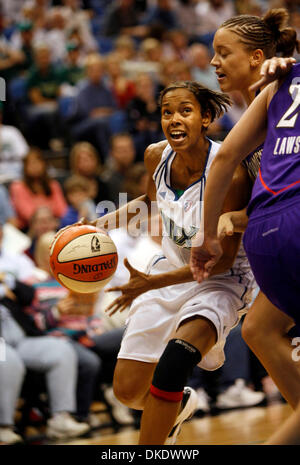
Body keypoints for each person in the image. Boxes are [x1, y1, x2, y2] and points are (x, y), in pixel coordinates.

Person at [61, 80, 255, 445]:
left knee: (175, 359)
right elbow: (151, 203)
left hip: (223, 281)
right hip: (171, 271)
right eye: (167, 112)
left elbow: (220, 260)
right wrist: (97, 225)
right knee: (128, 391)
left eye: (185, 110)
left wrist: (148, 284)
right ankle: (178, 403)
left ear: (206, 118)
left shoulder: (230, 171)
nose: (174, 119)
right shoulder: (155, 155)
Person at [189, 7, 300, 413]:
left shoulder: (277, 84)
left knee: (258, 329)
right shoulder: (277, 82)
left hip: (265, 239)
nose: (213, 62)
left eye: (223, 52)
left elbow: (224, 164)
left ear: (256, 56)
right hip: (287, 226)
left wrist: (210, 235)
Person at [9, 147, 67, 230]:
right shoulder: (18, 187)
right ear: (25, 167)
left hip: (55, 226)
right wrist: (48, 214)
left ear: (44, 164)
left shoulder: (53, 185)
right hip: (30, 229)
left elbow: (62, 210)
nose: (35, 166)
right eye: (31, 163)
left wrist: (45, 216)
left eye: (37, 162)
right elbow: (28, 214)